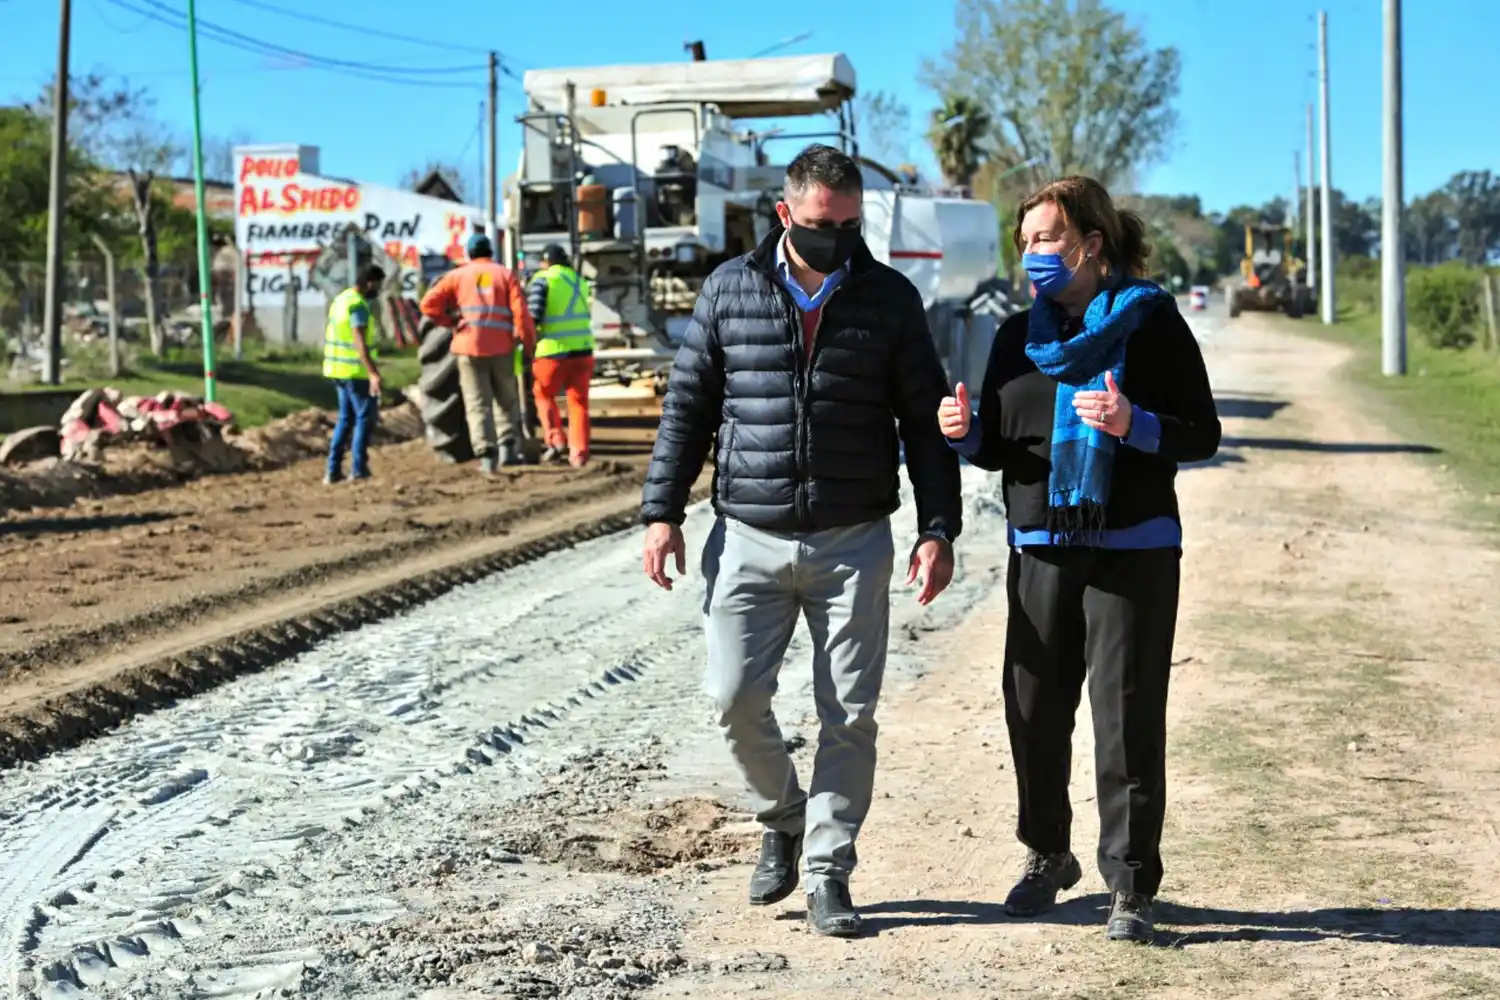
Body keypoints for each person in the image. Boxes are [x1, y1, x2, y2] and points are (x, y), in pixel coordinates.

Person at [640, 143, 963, 938]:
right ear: (785, 214)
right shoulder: (729, 289)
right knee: (732, 699)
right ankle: (784, 816)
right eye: (824, 225)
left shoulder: (889, 299)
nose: (838, 238)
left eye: (851, 225)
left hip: (854, 539)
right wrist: (662, 511)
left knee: (848, 714)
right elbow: (687, 408)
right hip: (746, 534)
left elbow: (923, 422)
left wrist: (938, 527)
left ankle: (827, 870)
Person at [938, 176, 1221, 944]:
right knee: (1031, 712)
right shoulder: (1014, 337)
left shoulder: (1152, 324)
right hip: (1041, 547)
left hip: (1133, 550)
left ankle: (1130, 886)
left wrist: (1136, 424)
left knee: (1126, 722)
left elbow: (1203, 433)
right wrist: (962, 431)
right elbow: (996, 443)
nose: (1031, 254)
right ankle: (1047, 854)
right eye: (1024, 241)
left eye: (1045, 240)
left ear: (1091, 245)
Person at [420, 232, 536, 473]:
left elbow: (427, 304)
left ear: (469, 254)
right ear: (490, 252)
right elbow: (522, 315)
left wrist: (450, 322)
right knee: (506, 400)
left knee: (477, 403)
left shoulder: (456, 276)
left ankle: (487, 458)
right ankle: (508, 451)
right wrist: (528, 346)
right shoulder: (505, 275)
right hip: (502, 347)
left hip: (468, 347)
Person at [526, 244, 595, 467]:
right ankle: (579, 453)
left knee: (543, 395)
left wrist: (526, 340)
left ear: (546, 261)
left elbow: (534, 315)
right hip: (584, 352)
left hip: (552, 352)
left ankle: (556, 441)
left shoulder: (543, 279)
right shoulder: (579, 281)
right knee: (579, 403)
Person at [323, 263, 385, 484]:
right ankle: (358, 469)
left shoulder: (341, 300)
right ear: (369, 282)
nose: (379, 289)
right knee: (364, 419)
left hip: (337, 370)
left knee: (345, 420)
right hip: (355, 372)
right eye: (378, 284)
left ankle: (332, 471)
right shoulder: (358, 306)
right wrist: (373, 373)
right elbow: (359, 341)